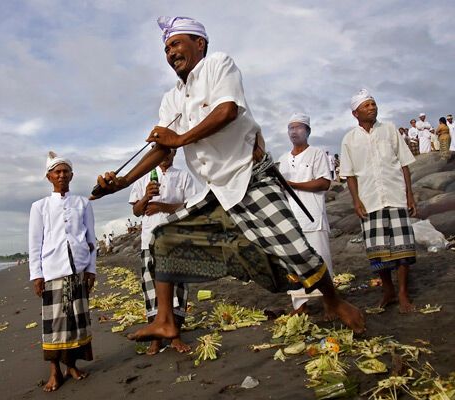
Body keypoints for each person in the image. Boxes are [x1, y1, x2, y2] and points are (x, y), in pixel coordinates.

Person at [92, 16, 365, 338]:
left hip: (251, 176)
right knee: (163, 238)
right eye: (166, 48)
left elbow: (227, 111)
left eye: (176, 44)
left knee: (294, 248)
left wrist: (178, 140)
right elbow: (161, 146)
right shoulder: (172, 98)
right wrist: (121, 183)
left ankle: (334, 301)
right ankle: (165, 320)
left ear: (200, 44)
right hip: (218, 188)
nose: (171, 53)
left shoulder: (218, 65)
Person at [340, 89, 417, 314]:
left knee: (403, 250)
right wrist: (356, 201)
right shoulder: (349, 139)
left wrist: (410, 195)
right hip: (370, 200)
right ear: (355, 113)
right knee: (378, 252)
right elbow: (350, 175)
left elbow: (404, 164)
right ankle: (388, 290)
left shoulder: (390, 130)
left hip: (395, 195)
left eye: (373, 104)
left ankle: (403, 293)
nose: (372, 107)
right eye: (367, 105)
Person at [28, 152, 97, 392]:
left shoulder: (83, 203)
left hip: (78, 268)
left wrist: (91, 269)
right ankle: (55, 370)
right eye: (56, 171)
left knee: (76, 321)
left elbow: (91, 239)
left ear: (72, 175)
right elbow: (35, 243)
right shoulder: (40, 207)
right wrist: (36, 275)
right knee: (55, 324)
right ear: (49, 177)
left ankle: (72, 365)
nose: (61, 175)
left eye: (65, 171)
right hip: (53, 271)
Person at [129, 148, 197, 355]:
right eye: (161, 152)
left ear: (174, 154)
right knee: (151, 289)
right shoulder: (142, 178)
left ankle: (175, 335)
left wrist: (163, 207)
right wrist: (146, 198)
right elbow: (136, 211)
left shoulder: (183, 175)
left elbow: (192, 204)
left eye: (169, 152)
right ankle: (156, 338)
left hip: (176, 237)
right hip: (150, 238)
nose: (166, 156)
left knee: (177, 287)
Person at [279, 113, 334, 314]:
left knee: (321, 258)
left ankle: (330, 302)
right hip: (292, 219)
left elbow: (324, 183)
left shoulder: (316, 154)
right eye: (291, 128)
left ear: (308, 131)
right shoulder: (283, 160)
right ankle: (300, 305)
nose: (294, 131)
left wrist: (292, 184)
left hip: (313, 215)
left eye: (299, 127)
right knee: (295, 262)